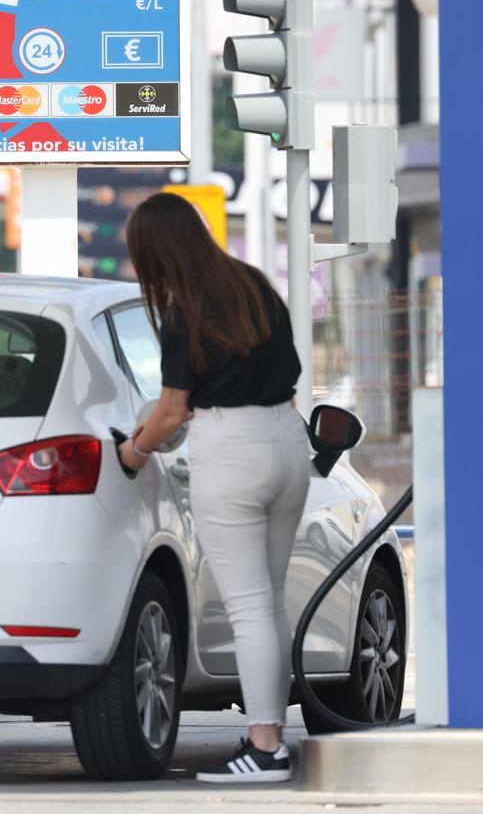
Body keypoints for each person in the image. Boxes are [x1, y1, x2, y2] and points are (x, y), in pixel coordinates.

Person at [117, 193, 309, 784]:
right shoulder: (251, 284)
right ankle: (269, 733)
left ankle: (265, 746)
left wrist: (132, 451)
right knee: (270, 599)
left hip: (232, 451)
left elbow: (173, 412)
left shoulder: (185, 312)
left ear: (156, 253)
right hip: (286, 440)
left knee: (249, 606)